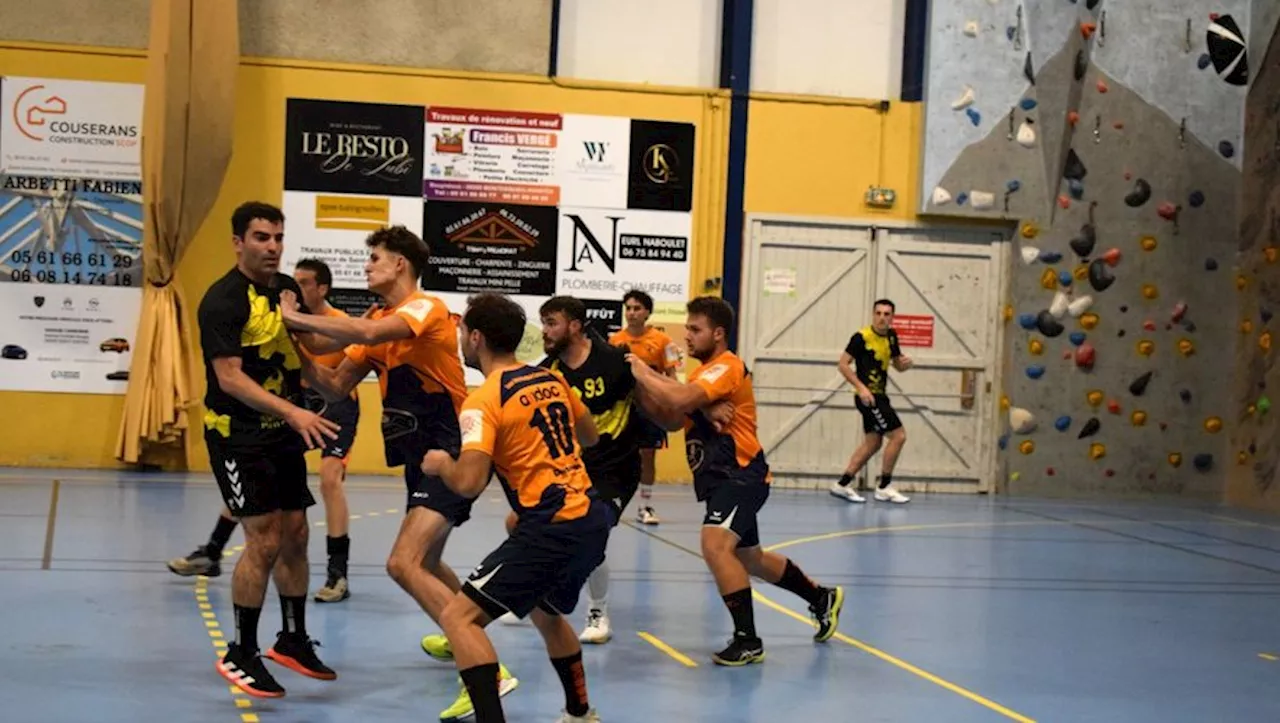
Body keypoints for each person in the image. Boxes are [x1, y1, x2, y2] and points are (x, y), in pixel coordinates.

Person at [279, 225, 516, 720]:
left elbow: (363, 333)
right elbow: (336, 385)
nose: (367, 266)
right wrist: (290, 347)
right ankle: (467, 633)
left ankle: (487, 670)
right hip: (418, 456)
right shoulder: (380, 321)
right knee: (426, 564)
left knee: (401, 564)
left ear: (401, 265)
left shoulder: (424, 309)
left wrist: (294, 316)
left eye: (375, 258)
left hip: (452, 449)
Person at [422, 291, 608, 723]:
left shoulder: (484, 399)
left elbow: (468, 483)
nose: (461, 340)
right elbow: (591, 435)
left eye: (462, 332)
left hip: (550, 527)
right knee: (546, 612)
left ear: (477, 338)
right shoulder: (552, 380)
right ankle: (580, 713)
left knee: (459, 617)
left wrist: (442, 464)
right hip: (590, 518)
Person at [628, 295, 844, 666]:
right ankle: (821, 598)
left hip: (741, 474)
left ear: (719, 333)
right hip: (719, 478)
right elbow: (673, 419)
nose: (688, 337)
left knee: (715, 546)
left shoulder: (726, 366)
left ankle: (748, 641)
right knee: (751, 559)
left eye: (695, 330)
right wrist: (637, 393)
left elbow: (680, 398)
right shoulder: (702, 373)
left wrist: (642, 372)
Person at [198, 201, 339, 697]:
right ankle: (241, 650)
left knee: (296, 532)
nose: (273, 246)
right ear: (238, 241)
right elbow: (230, 378)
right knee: (263, 538)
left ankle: (293, 638)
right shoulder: (222, 300)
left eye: (278, 237)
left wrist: (343, 376)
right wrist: (294, 412)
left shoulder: (285, 290)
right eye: (261, 237)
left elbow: (301, 355)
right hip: (237, 434)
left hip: (280, 432)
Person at [165, 258, 362, 605]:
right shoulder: (264, 305)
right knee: (261, 489)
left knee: (330, 479)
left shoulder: (335, 323)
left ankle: (337, 571)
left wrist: (377, 329)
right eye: (295, 280)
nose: (296, 288)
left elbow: (332, 354)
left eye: (305, 282)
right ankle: (213, 550)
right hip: (290, 406)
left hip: (333, 407)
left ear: (322, 289)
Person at [540, 295, 642, 645]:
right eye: (543, 323)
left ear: (575, 325)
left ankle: (598, 612)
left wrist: (709, 409)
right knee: (522, 523)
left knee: (590, 530)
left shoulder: (616, 360)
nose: (545, 330)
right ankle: (531, 595)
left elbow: (662, 396)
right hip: (573, 469)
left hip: (617, 468)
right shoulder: (549, 370)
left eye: (552, 322)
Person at [608, 289, 681, 525]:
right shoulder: (615, 341)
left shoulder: (663, 342)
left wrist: (673, 404)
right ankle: (609, 504)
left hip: (651, 408)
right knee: (615, 456)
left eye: (637, 308)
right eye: (628, 308)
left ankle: (645, 506)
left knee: (648, 456)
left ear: (647, 312)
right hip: (623, 409)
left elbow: (671, 376)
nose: (631, 313)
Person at [829, 298, 912, 504]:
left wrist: (905, 364)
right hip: (868, 397)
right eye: (879, 313)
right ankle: (884, 486)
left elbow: (897, 365)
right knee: (898, 436)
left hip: (880, 395)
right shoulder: (861, 337)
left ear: (892, 317)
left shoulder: (892, 337)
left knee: (873, 442)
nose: (882, 317)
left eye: (887, 314)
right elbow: (843, 364)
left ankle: (842, 483)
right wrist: (861, 388)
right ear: (873, 314)